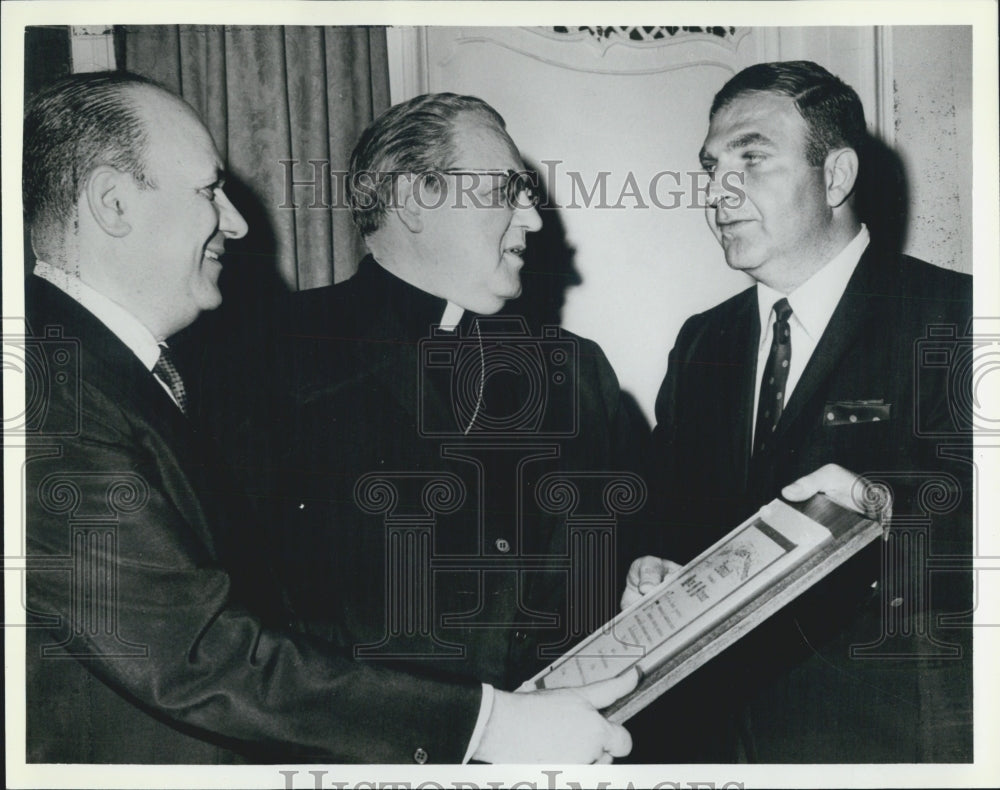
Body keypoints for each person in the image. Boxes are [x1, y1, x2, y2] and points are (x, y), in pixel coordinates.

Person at [21, 71, 644, 765]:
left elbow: (632, 551)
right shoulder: (242, 359)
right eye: (507, 190)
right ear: (416, 197)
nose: (532, 217)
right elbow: (211, 642)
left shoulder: (579, 371)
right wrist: (489, 725)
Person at [638, 60, 973, 762]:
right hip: (719, 743)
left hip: (885, 740)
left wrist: (882, 502)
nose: (718, 191)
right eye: (710, 167)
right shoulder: (702, 342)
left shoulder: (955, 317)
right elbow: (670, 512)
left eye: (751, 159)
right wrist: (653, 563)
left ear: (838, 176)